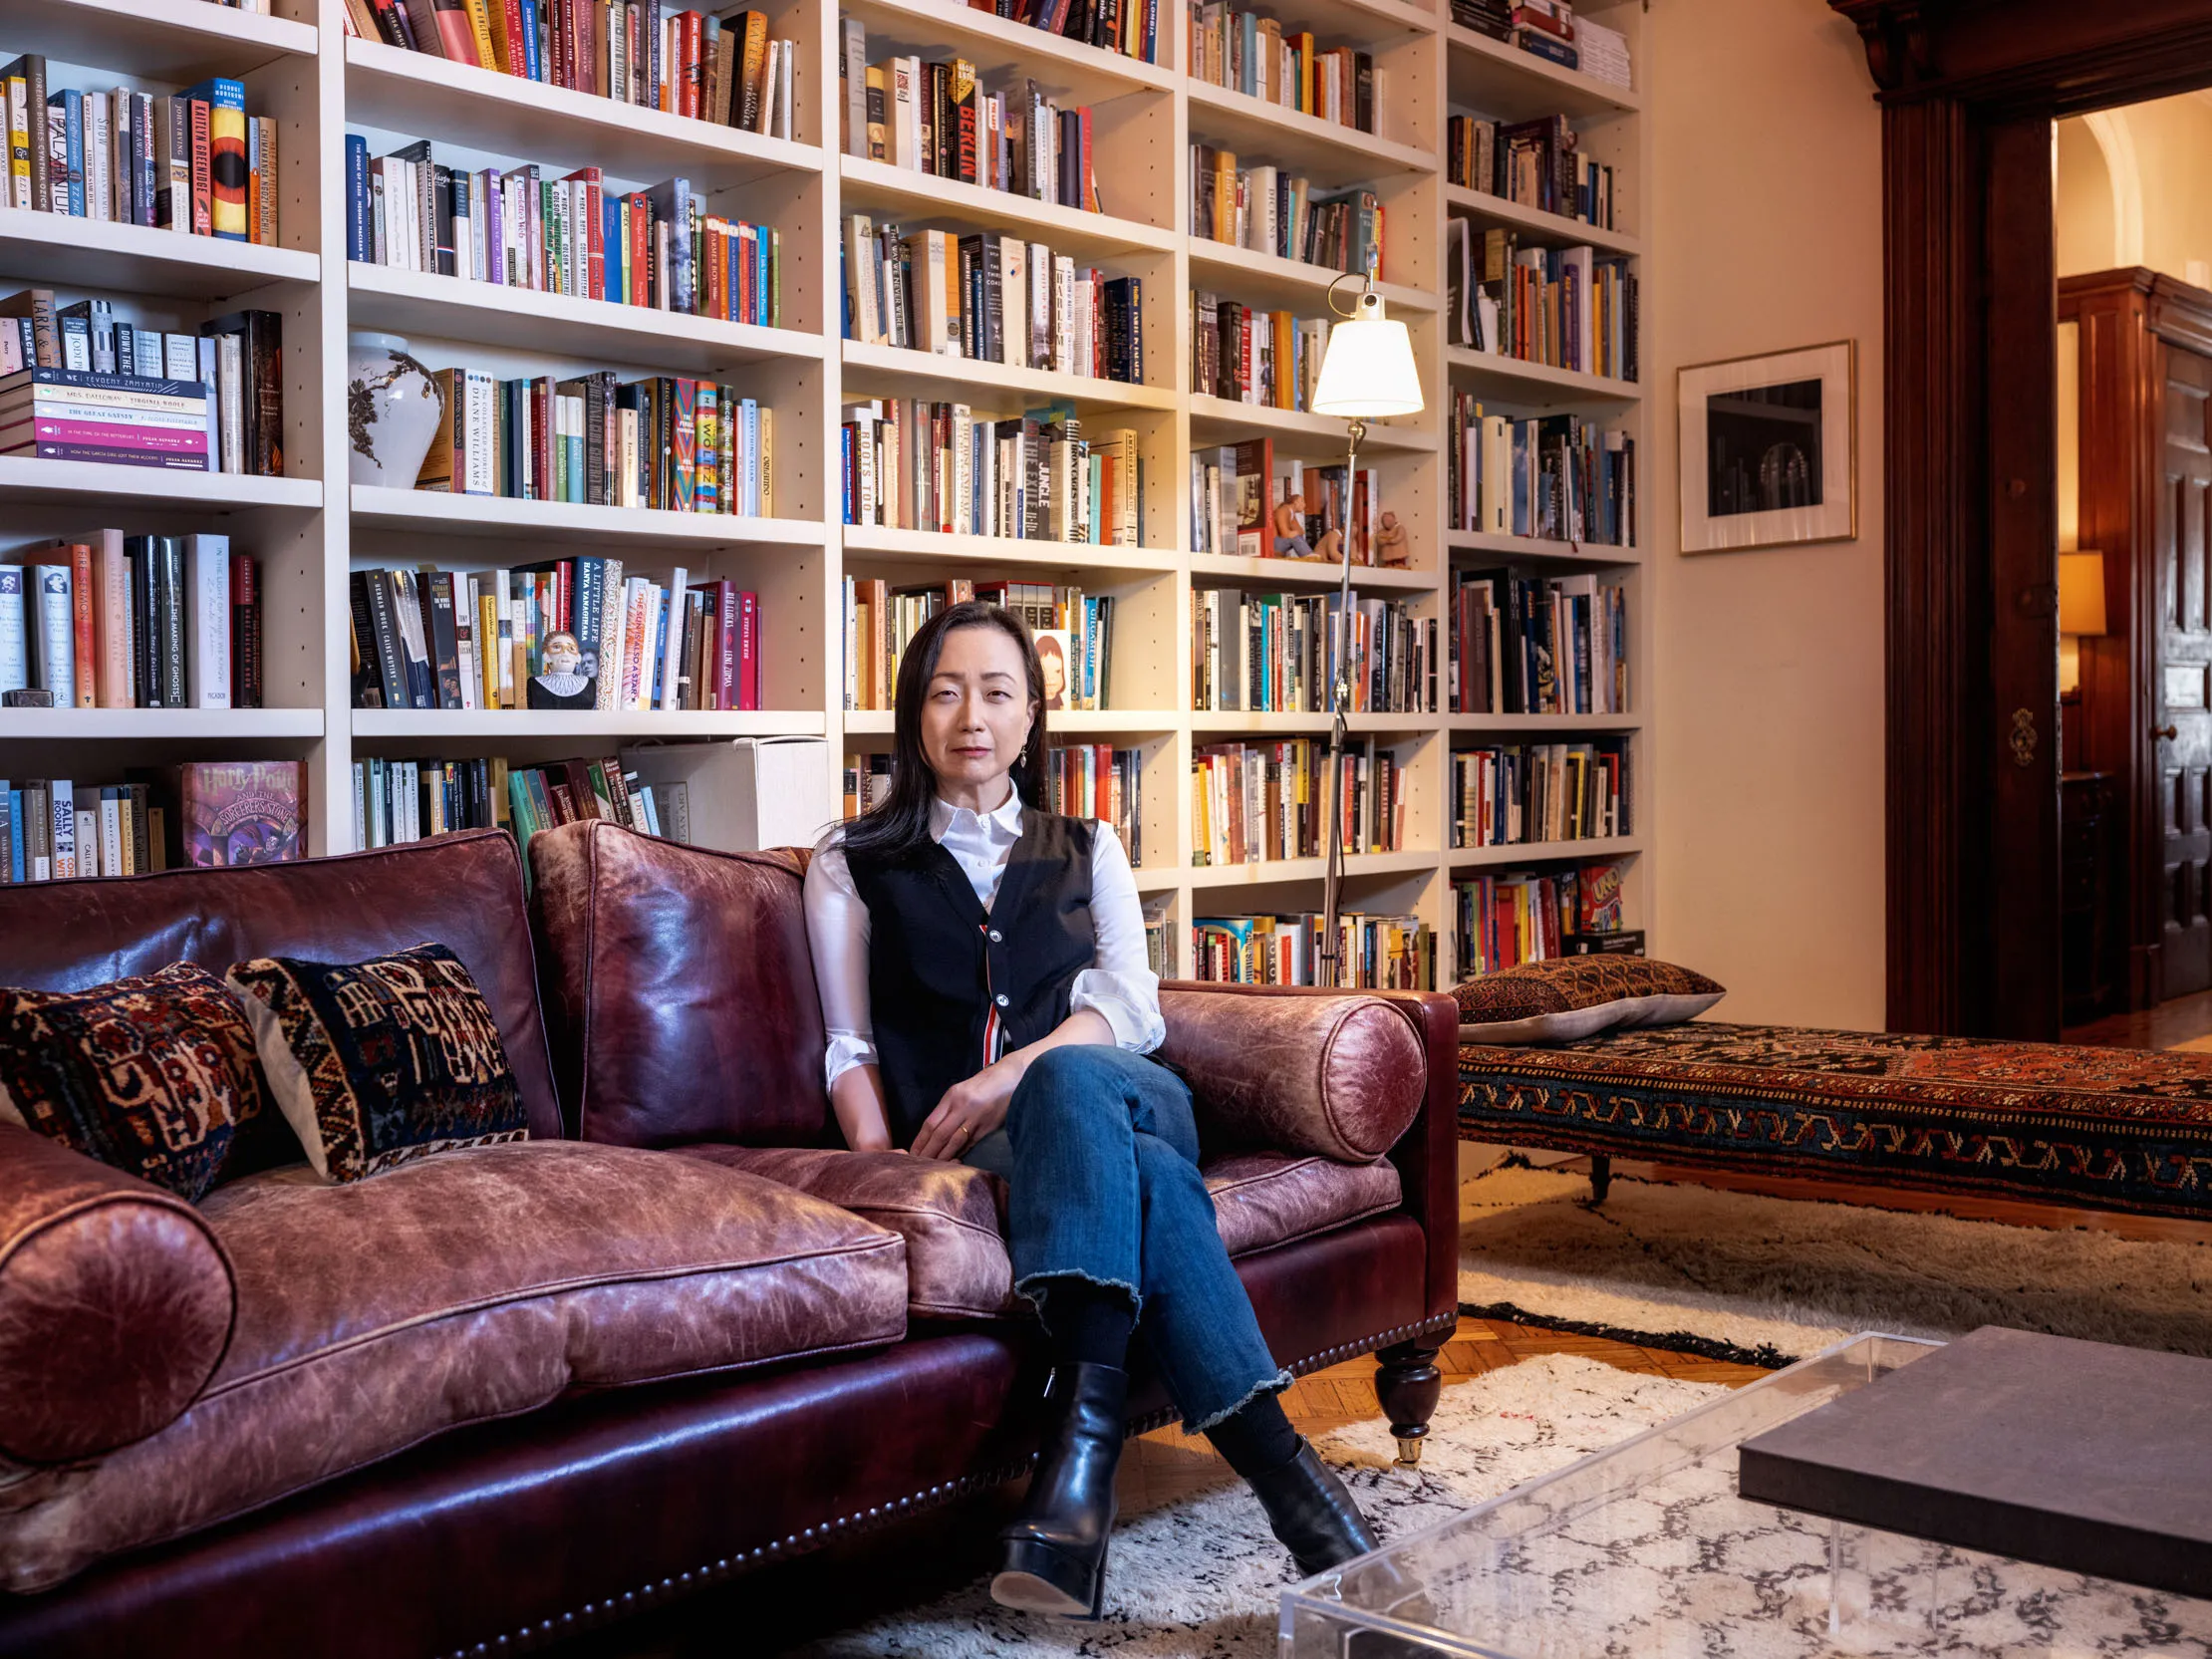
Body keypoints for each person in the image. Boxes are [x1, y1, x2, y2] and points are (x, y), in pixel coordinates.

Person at [803, 600, 1380, 1620]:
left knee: (1070, 1078)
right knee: (1148, 1186)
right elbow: (847, 1044)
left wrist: (1004, 1075)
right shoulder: (852, 863)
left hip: (1136, 1096)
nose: (970, 716)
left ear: (1032, 716)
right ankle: (1292, 1489)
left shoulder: (1089, 844)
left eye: (995, 692)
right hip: (1022, 1154)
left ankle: (1077, 1466)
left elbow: (1132, 1008)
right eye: (944, 692)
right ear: (911, 714)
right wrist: (877, 1161)